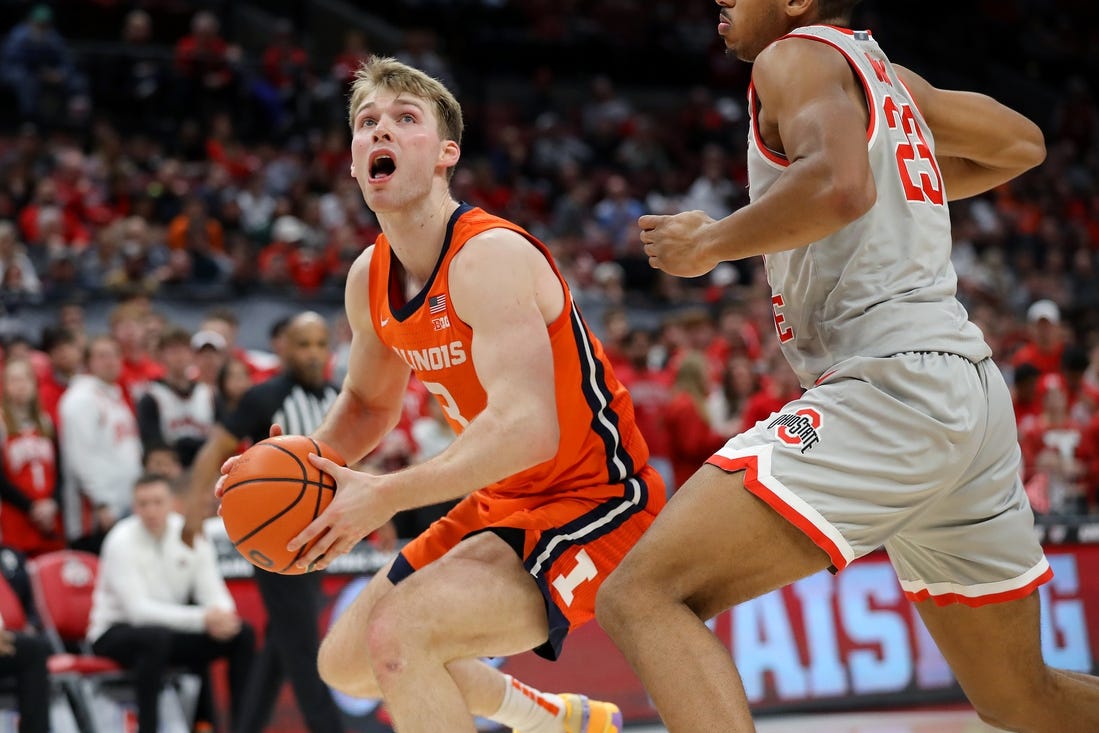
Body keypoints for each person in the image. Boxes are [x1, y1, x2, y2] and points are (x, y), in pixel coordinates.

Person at [595, 2, 1099, 732]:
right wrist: (895, 169)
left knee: (641, 595)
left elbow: (837, 186)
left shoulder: (791, 56)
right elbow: (1021, 143)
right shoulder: (885, 76)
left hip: (891, 384)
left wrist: (709, 245)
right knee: (1020, 697)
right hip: (965, 389)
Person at [221, 56, 666, 733]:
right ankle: (552, 718)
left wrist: (384, 493)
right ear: (351, 161)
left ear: (444, 155)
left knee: (402, 635)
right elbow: (369, 407)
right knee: (343, 662)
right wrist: (297, 464)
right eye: (367, 123)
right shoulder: (368, 275)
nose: (382, 133)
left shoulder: (489, 257)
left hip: (595, 496)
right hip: (502, 497)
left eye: (405, 120)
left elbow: (526, 430)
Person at [185, 311, 346, 733]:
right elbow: (214, 448)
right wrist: (192, 508)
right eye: (303, 344)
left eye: (319, 344)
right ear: (284, 349)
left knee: (284, 642)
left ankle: (246, 726)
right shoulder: (263, 397)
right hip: (275, 535)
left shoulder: (336, 396)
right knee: (306, 648)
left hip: (323, 533)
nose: (312, 354)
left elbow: (353, 462)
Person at [89, 473, 254, 733]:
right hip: (114, 634)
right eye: (143, 504)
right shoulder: (120, 541)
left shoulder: (189, 534)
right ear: (134, 506)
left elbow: (215, 593)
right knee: (155, 639)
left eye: (157, 502)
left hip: (168, 633)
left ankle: (243, 727)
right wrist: (202, 619)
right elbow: (138, 613)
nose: (151, 510)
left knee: (241, 634)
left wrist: (223, 616)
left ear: (172, 503)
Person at [58, 335, 142, 554]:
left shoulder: (115, 396)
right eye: (102, 355)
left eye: (115, 354)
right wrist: (102, 503)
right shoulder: (81, 398)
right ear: (88, 362)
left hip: (124, 505)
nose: (111, 361)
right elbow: (81, 457)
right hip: (96, 515)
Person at [0, 359, 63, 557]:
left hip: (51, 517)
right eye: (14, 380)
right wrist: (31, 508)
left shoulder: (46, 423)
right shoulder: (2, 425)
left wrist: (52, 503)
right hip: (17, 518)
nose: (20, 385)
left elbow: (60, 471)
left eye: (25, 379)